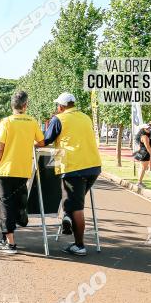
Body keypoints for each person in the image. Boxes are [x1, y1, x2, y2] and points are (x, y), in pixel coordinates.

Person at [43, 92, 102, 257]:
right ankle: (67, 217)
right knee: (74, 201)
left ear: (61, 107)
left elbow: (45, 141)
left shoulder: (58, 119)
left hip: (73, 167)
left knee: (77, 207)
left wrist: (32, 143)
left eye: (58, 106)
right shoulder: (86, 118)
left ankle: (80, 245)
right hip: (93, 166)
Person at [0, 90, 44, 255]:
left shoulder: (6, 122)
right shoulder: (32, 122)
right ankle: (8, 234)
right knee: (17, 201)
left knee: (5, 205)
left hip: (5, 170)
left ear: (12, 105)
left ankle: (10, 244)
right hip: (23, 169)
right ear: (25, 105)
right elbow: (40, 142)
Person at [133, 122, 151, 186]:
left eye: (149, 128)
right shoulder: (144, 136)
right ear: (143, 129)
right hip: (145, 153)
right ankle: (139, 182)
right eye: (147, 129)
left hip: (143, 152)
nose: (149, 129)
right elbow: (147, 146)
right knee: (143, 168)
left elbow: (142, 146)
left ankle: (140, 182)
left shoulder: (143, 136)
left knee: (142, 168)